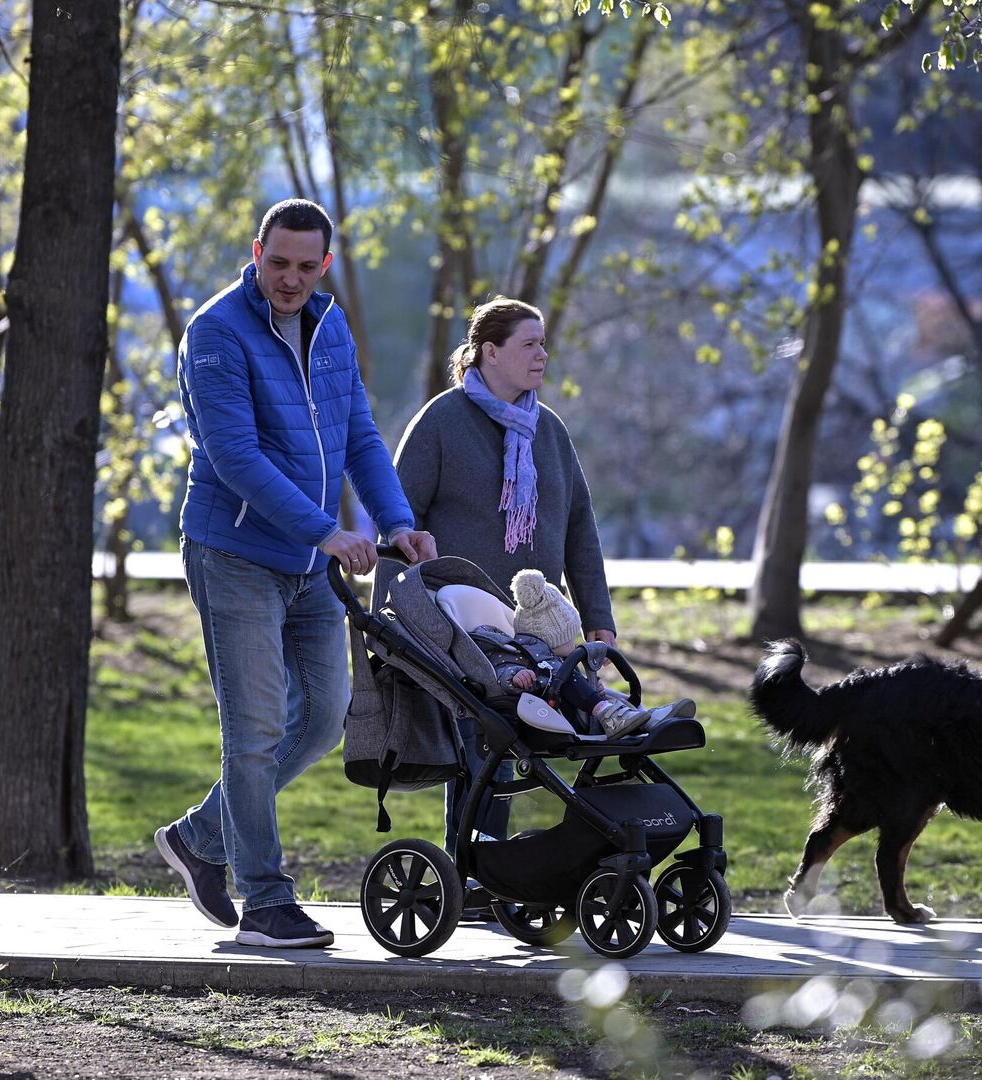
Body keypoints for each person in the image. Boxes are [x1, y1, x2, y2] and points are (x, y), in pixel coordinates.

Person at [156, 199, 436, 949]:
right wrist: (329, 531)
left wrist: (396, 521)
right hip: (235, 556)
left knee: (322, 716)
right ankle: (265, 902)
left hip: (311, 561)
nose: (289, 279)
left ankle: (198, 838)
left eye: (305, 267)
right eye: (277, 262)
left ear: (325, 266)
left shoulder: (330, 323)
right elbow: (236, 457)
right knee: (251, 732)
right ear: (257, 251)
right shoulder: (215, 334)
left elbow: (358, 435)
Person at [383, 296, 617, 885]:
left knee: (529, 743)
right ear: (491, 352)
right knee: (486, 746)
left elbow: (580, 528)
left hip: (539, 623)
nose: (543, 354)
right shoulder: (441, 422)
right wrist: (393, 623)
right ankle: (475, 873)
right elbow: (398, 523)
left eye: (543, 343)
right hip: (460, 622)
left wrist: (598, 618)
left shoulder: (550, 431)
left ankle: (508, 869)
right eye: (529, 344)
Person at [472, 569, 693, 738]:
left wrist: (591, 687)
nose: (573, 642)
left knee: (606, 692)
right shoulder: (524, 653)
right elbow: (499, 668)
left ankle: (646, 717)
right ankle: (619, 716)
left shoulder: (556, 658)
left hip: (575, 708)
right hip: (551, 714)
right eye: (568, 638)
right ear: (548, 638)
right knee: (567, 677)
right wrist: (515, 675)